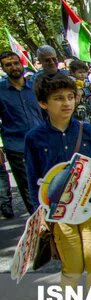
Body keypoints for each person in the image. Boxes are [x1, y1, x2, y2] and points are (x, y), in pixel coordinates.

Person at [26, 73, 91, 300]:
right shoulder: (35, 138)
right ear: (44, 103)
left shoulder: (87, 131)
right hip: (61, 216)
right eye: (58, 99)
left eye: (70, 97)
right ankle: (69, 298)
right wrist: (40, 213)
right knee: (74, 265)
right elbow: (34, 181)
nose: (66, 103)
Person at [0, 51, 44, 213]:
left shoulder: (35, 87)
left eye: (15, 63)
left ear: (22, 64)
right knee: (29, 190)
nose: (13, 67)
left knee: (50, 183)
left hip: (42, 143)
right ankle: (39, 227)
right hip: (17, 147)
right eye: (8, 65)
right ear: (3, 68)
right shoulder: (1, 91)